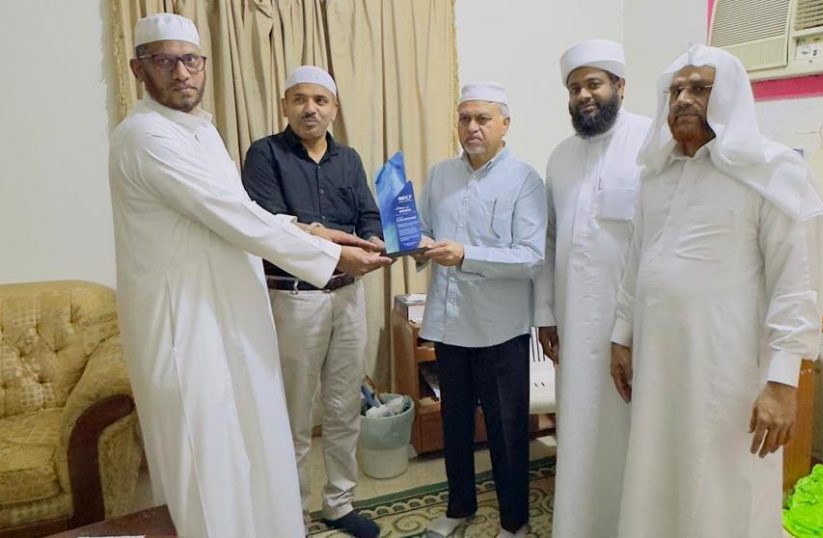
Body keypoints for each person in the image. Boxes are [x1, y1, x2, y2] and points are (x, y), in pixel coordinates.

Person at [109, 14, 390, 537]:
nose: (181, 72)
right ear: (138, 68)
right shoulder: (145, 136)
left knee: (256, 438)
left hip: (236, 314)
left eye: (191, 60)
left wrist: (334, 240)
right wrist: (330, 253)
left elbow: (247, 213)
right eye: (165, 60)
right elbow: (239, 217)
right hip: (187, 322)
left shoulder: (203, 131)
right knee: (211, 456)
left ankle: (303, 515)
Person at [609, 44, 823, 537]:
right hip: (658, 366)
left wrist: (782, 382)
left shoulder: (771, 172)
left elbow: (796, 284)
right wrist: (622, 335)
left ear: (730, 96)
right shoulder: (656, 176)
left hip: (728, 374)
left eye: (700, 89)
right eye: (675, 91)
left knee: (723, 487)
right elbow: (636, 263)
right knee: (656, 475)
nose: (684, 99)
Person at [241, 65, 385, 538]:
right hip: (294, 299)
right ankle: (293, 513)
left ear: (334, 109)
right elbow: (271, 226)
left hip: (348, 295)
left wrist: (373, 240)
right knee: (295, 413)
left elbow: (368, 214)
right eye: (300, 99)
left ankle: (339, 503)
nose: (310, 109)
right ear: (284, 105)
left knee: (344, 406)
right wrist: (334, 243)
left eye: (320, 100)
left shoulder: (349, 159)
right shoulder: (265, 155)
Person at [532, 39, 651, 538]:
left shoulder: (651, 142)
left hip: (635, 322)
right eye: (574, 87)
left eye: (594, 83)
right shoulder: (559, 158)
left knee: (632, 428)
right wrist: (545, 314)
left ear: (620, 86)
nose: (583, 95)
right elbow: (549, 239)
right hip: (574, 322)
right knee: (579, 424)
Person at [416, 82, 546, 538]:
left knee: (506, 431)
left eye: (483, 118)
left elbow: (530, 257)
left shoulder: (525, 180)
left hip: (500, 330)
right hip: (449, 324)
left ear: (504, 124)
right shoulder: (440, 175)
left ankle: (514, 522)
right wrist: (409, 244)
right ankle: (459, 508)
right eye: (464, 118)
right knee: (454, 425)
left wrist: (466, 255)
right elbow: (424, 231)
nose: (472, 127)